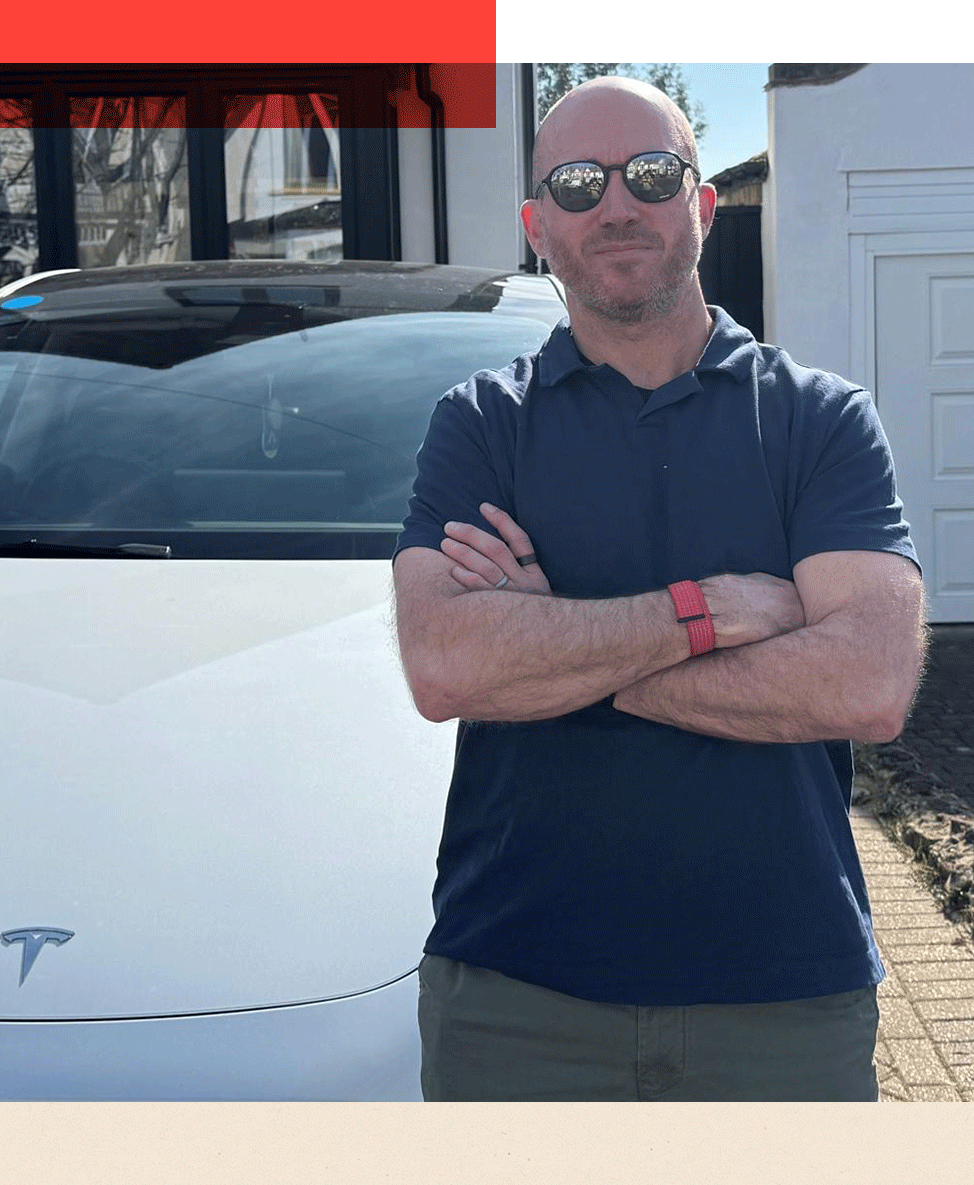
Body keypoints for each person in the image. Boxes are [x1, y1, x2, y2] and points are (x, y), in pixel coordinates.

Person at [391, 76, 927, 1101]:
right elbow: (445, 664)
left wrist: (552, 643)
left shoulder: (821, 422)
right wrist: (712, 612)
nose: (616, 206)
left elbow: (868, 683)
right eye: (579, 183)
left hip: (784, 998)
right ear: (537, 224)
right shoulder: (480, 426)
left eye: (650, 173)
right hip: (518, 995)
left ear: (702, 203)